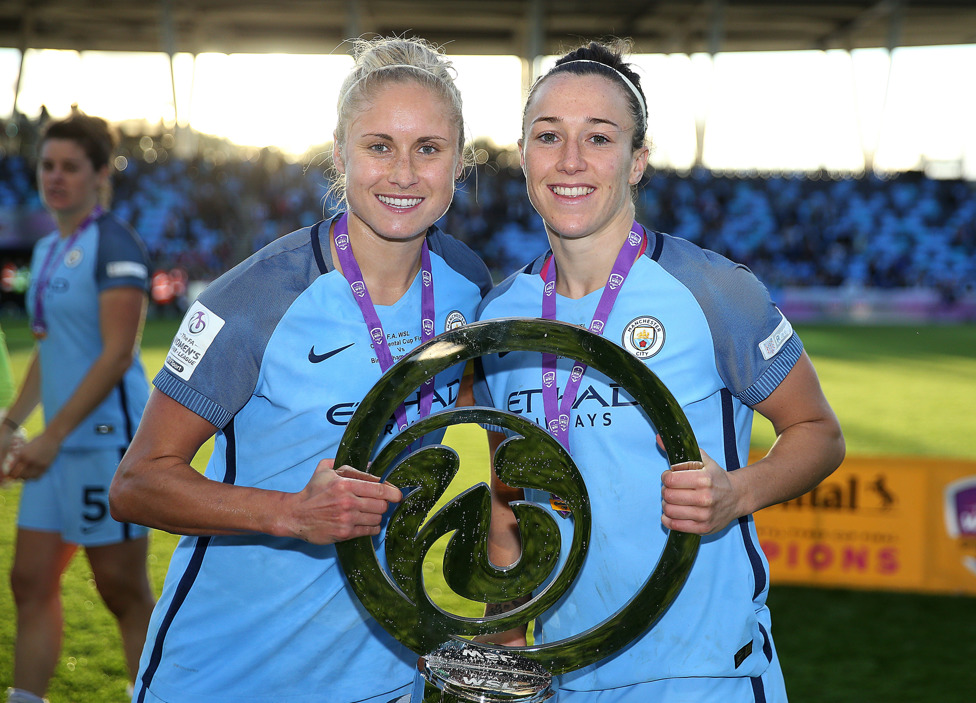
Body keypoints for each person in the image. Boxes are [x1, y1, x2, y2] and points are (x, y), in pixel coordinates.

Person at [108, 36, 492, 703]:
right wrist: (292, 513)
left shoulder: (467, 285)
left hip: (383, 676)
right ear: (341, 154)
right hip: (229, 673)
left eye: (428, 148)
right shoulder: (256, 297)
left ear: (458, 162)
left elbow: (489, 452)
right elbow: (137, 484)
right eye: (379, 146)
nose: (404, 173)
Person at [475, 40, 845, 701]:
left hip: (701, 672)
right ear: (525, 154)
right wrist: (505, 632)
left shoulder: (713, 290)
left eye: (599, 137)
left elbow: (818, 430)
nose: (570, 160)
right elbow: (509, 495)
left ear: (637, 160)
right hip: (564, 673)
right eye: (548, 135)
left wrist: (737, 491)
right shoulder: (500, 315)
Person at [1, 113, 156, 703]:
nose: (56, 177)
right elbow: (49, 351)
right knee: (30, 580)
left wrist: (51, 436)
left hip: (104, 446)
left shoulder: (114, 243)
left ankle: (152, 694)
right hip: (57, 445)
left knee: (121, 591)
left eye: (70, 166)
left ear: (98, 174)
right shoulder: (46, 247)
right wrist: (12, 422)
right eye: (47, 166)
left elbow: (117, 356)